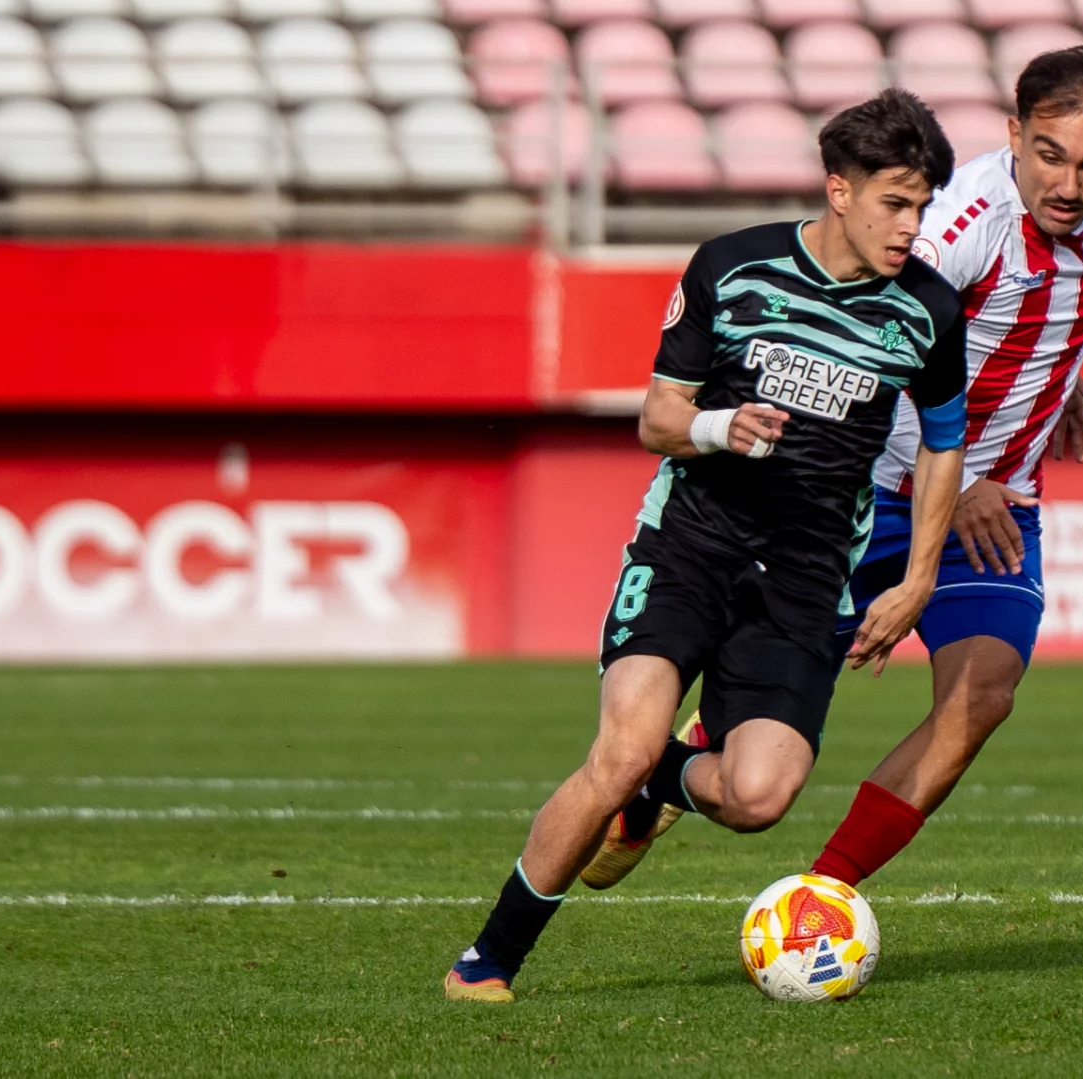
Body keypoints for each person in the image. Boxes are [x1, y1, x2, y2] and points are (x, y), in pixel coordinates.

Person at [444, 89, 970, 1003]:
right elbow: (658, 419)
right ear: (838, 189)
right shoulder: (733, 268)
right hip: (691, 544)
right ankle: (488, 961)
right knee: (618, 749)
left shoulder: (926, 309)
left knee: (759, 797)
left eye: (923, 206)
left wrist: (919, 576)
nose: (912, 225)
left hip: (807, 577)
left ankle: (658, 786)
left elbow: (944, 439)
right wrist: (723, 428)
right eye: (896, 201)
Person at [807, 43, 1083, 889]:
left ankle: (822, 897)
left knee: (982, 693)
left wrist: (1060, 375)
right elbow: (874, 371)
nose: (1069, 186)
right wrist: (956, 483)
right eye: (1048, 156)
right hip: (878, 490)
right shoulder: (959, 229)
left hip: (1001, 507)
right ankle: (657, 790)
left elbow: (1063, 301)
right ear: (1012, 135)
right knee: (766, 717)